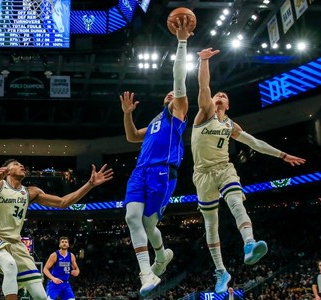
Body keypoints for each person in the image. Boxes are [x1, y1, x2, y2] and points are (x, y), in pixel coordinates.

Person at [192, 47, 306, 294]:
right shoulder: (204, 113)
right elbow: (204, 87)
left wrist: (283, 155)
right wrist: (203, 62)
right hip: (202, 174)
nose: (219, 95)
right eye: (217, 94)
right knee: (211, 225)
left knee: (236, 204)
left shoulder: (231, 125)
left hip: (224, 169)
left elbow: (255, 143)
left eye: (224, 95)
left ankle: (250, 244)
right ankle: (221, 271)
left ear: (228, 105)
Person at [120, 16, 194, 297]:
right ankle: (145, 273)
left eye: (176, 93)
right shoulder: (154, 121)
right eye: (170, 93)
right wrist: (127, 115)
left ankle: (161, 257)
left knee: (148, 224)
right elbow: (131, 137)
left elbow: (178, 77)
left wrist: (182, 42)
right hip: (140, 172)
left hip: (163, 172)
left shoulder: (178, 114)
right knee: (131, 217)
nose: (172, 93)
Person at [0, 159, 113, 300]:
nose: (21, 165)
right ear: (6, 170)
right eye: (16, 164)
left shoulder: (30, 192)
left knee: (40, 295)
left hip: (16, 244)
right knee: (9, 265)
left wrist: (90, 184)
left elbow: (63, 202)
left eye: (22, 164)